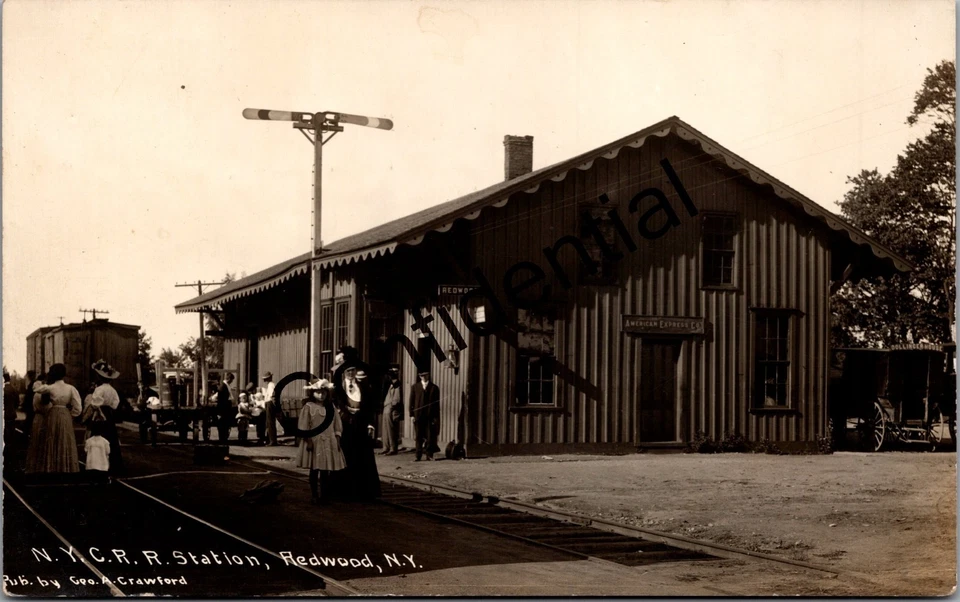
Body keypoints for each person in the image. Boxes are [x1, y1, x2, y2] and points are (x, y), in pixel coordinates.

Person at [332, 353, 381, 500]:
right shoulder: (338, 388)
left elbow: (370, 407)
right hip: (345, 426)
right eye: (348, 371)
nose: (351, 373)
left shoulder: (364, 387)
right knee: (347, 458)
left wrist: (371, 424)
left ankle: (365, 492)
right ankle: (346, 492)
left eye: (353, 370)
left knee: (364, 458)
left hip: (361, 426)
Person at [296, 379, 346, 505]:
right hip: (315, 441)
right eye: (318, 392)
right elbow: (304, 426)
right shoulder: (308, 407)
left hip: (328, 440)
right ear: (312, 393)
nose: (321, 395)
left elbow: (337, 425)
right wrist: (308, 441)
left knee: (325, 470)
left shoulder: (331, 407)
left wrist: (338, 439)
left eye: (323, 392)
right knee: (314, 469)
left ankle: (324, 495)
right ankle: (314, 495)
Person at [25, 363, 81, 475]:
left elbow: (36, 390)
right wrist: (70, 415)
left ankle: (52, 467)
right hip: (65, 414)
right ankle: (65, 467)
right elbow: (78, 408)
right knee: (65, 438)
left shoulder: (50, 388)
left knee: (52, 439)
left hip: (53, 414)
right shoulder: (71, 388)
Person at [86, 360, 124, 474]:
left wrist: (96, 410)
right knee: (111, 438)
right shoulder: (112, 390)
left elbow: (95, 403)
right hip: (109, 414)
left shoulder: (99, 389)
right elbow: (116, 403)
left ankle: (97, 465)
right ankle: (113, 464)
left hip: (100, 412)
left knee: (98, 437)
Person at [410, 369, 440, 461]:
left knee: (430, 436)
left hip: (429, 416)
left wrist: (435, 417)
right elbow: (411, 402)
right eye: (422, 376)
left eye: (426, 375)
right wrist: (412, 415)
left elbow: (436, 404)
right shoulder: (415, 387)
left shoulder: (434, 388)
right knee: (419, 436)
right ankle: (418, 455)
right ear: (419, 377)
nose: (424, 377)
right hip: (418, 416)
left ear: (428, 375)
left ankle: (429, 455)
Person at [379, 368, 403, 455]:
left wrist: (390, 407)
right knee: (385, 429)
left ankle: (393, 448)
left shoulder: (397, 385)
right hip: (386, 408)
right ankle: (386, 447)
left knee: (391, 429)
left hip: (391, 409)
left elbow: (396, 400)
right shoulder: (390, 384)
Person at [217, 373, 235, 443]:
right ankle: (222, 439)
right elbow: (221, 399)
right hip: (224, 408)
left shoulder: (226, 386)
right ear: (229, 379)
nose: (232, 382)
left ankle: (223, 438)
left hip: (225, 407)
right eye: (232, 380)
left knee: (225, 424)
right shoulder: (223, 386)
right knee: (223, 424)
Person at [260, 372, 278, 446]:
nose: (265, 381)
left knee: (270, 422)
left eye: (266, 379)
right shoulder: (270, 385)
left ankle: (272, 440)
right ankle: (270, 439)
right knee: (269, 422)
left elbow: (272, 396)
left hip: (270, 403)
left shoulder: (271, 385)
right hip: (269, 403)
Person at [3, 371, 19, 445]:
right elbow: (17, 403)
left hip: (4, 414)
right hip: (12, 414)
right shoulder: (14, 389)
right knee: (11, 434)